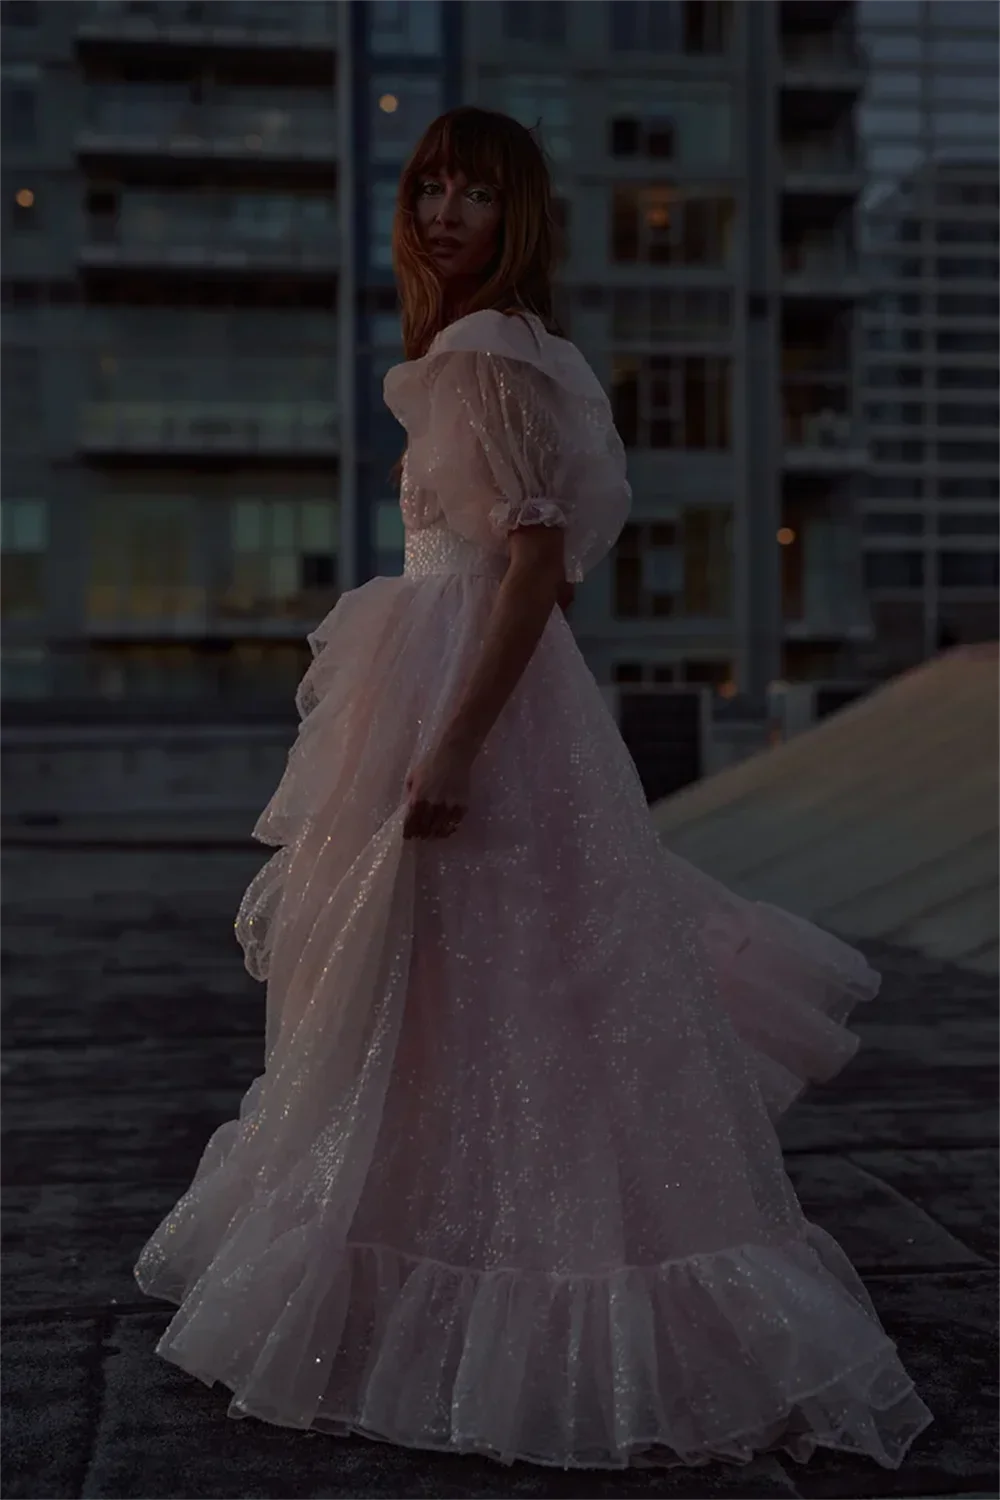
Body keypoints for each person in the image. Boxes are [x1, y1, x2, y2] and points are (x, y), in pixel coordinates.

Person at [133, 107, 933, 1473]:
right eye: (429, 186)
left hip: (473, 693)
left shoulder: (483, 352)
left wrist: (449, 740)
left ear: (521, 217)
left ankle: (508, 1286)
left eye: (476, 193)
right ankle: (474, 1260)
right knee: (498, 994)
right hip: (505, 690)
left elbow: (531, 559)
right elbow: (550, 568)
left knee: (456, 990)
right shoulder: (522, 353)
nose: (445, 211)